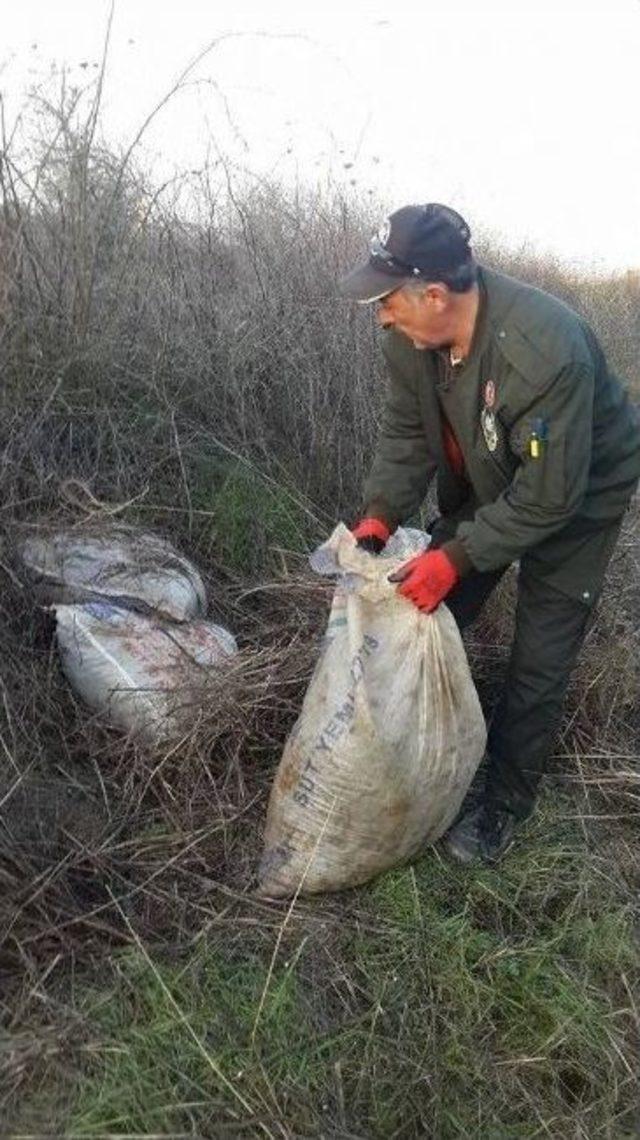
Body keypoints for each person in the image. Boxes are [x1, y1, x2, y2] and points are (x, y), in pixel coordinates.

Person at [339, 203, 640, 865]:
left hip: (579, 490)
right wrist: (379, 517)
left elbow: (548, 497)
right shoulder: (408, 338)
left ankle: (503, 804)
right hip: (493, 465)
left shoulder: (547, 351)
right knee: (427, 605)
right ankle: (405, 755)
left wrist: (459, 553)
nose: (381, 314)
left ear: (436, 294)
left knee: (539, 654)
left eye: (388, 301)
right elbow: (406, 432)